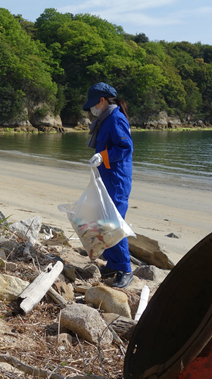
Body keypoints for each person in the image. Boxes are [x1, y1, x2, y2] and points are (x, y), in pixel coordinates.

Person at [83, 82, 134, 288]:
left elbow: (125, 148)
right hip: (107, 177)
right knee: (104, 219)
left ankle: (125, 269)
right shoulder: (105, 119)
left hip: (117, 179)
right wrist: (100, 159)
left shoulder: (116, 118)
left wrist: (102, 156)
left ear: (102, 101)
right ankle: (113, 263)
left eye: (94, 104)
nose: (92, 109)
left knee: (114, 223)